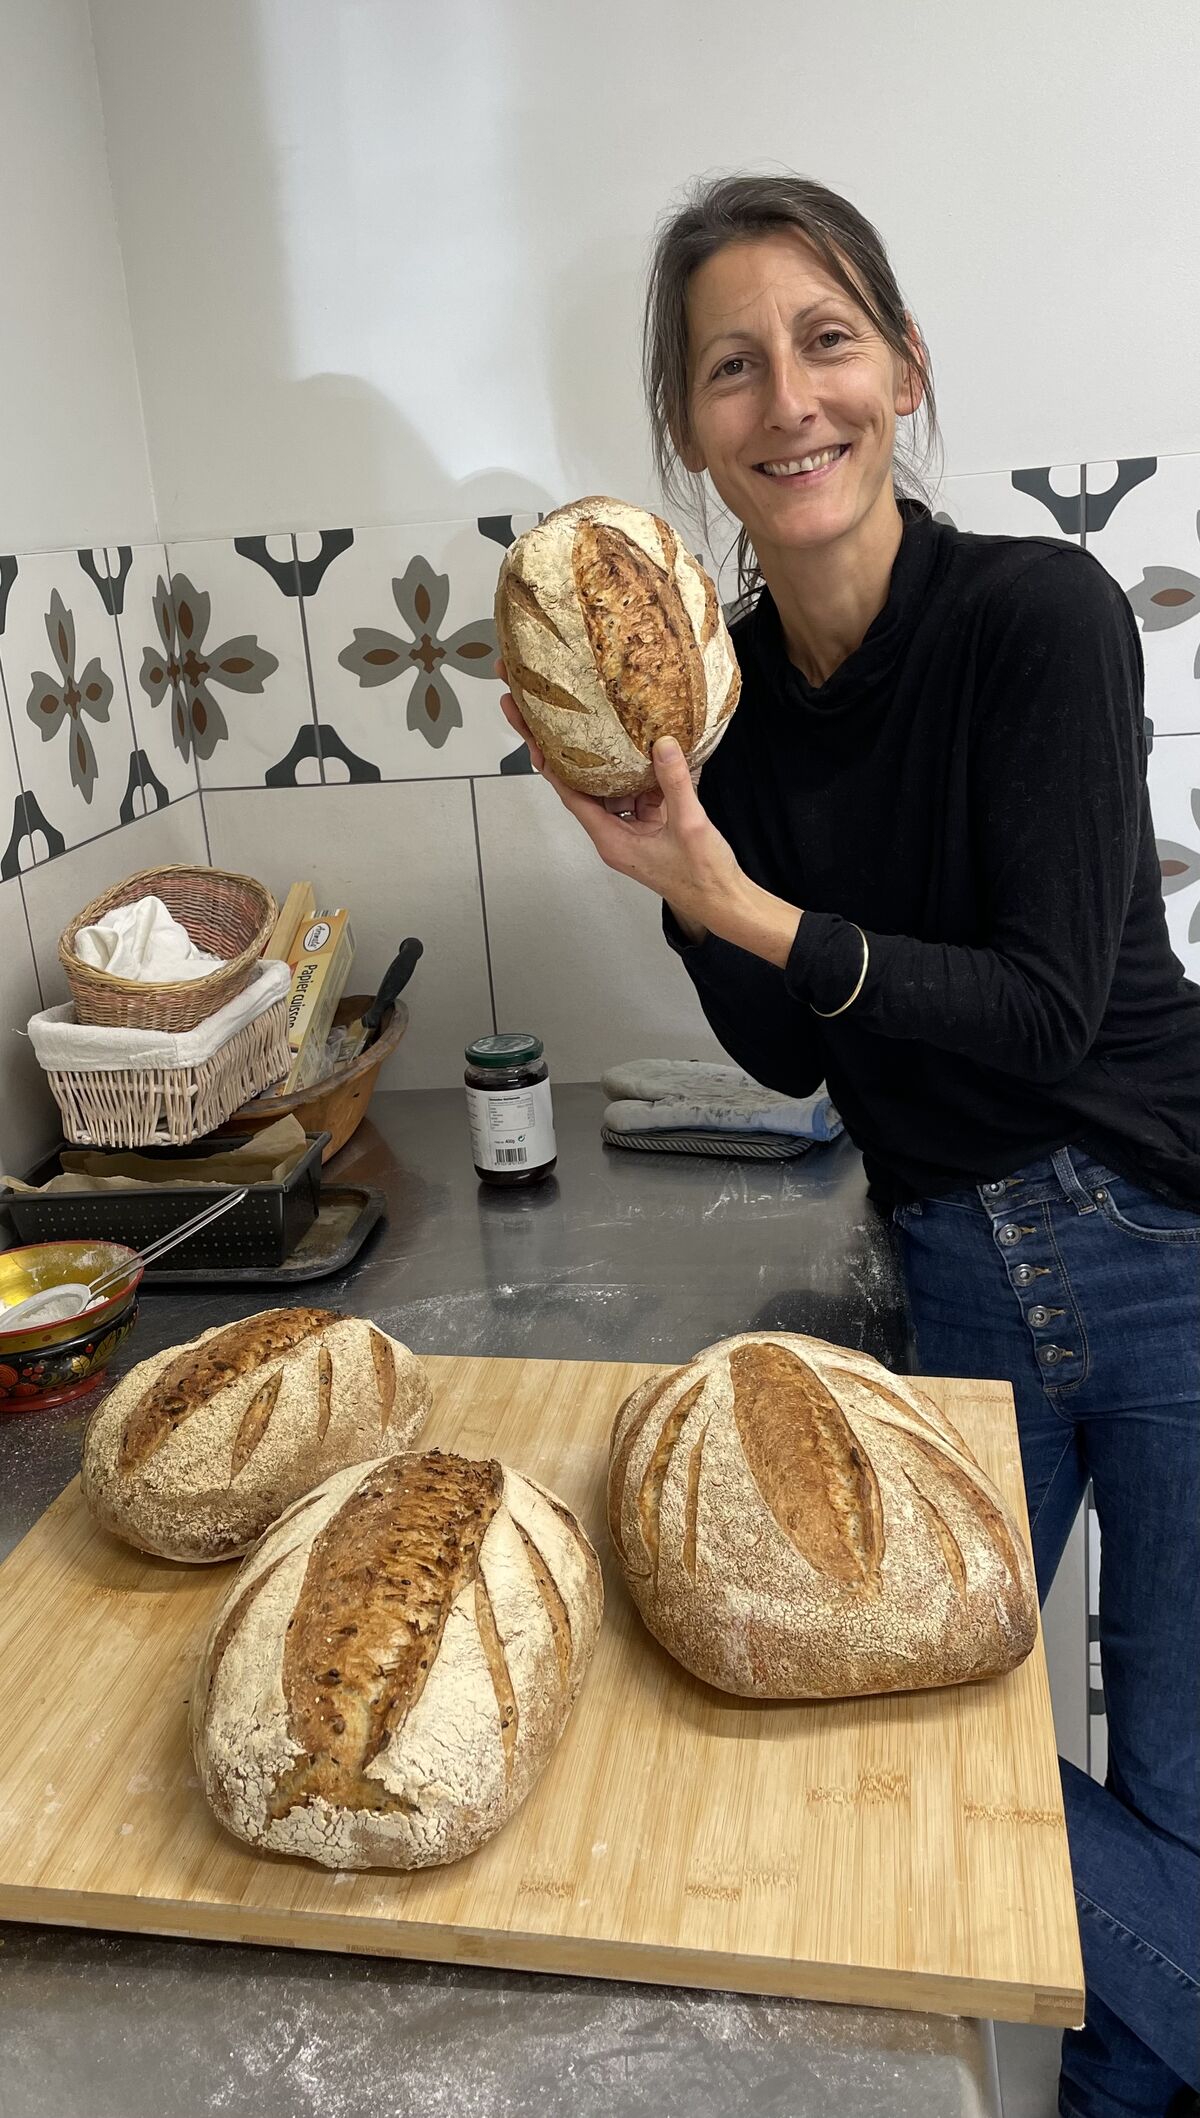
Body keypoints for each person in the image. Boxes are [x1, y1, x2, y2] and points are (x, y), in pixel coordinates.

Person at [500, 174, 1200, 2118]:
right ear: (689, 426)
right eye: (732, 366)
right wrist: (669, 873)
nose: (786, 397)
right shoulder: (714, 704)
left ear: (899, 369)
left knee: (1183, 1791)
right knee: (902, 1752)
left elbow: (1050, 1007)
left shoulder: (1039, 619)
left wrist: (745, 909)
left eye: (825, 340)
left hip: (1165, 1237)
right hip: (960, 1249)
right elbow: (783, 1049)